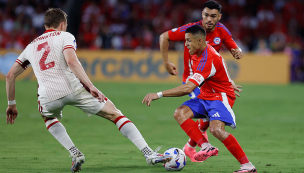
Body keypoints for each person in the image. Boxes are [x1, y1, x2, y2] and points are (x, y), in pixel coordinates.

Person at [5, 8, 171, 173]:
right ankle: (149, 154)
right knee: (115, 114)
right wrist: (91, 86)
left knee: (48, 117)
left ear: (46, 24)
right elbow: (71, 61)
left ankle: (75, 153)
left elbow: (11, 75)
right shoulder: (65, 36)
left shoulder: (31, 46)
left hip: (48, 95)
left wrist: (11, 104)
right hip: (74, 88)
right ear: (62, 24)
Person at [143, 25, 256, 173]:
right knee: (180, 113)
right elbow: (221, 64)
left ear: (199, 41)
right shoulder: (196, 53)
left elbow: (188, 88)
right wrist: (228, 79)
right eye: (185, 40)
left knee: (216, 129)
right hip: (205, 94)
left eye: (189, 40)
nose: (186, 44)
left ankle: (248, 166)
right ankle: (205, 146)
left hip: (220, 96)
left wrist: (158, 94)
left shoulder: (208, 57)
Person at [159, 0, 242, 162]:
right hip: (193, 80)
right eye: (206, 15)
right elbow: (164, 37)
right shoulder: (191, 30)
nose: (209, 19)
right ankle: (200, 145)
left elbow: (231, 50)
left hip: (209, 80)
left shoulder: (222, 31)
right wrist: (166, 62)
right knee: (208, 111)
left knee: (209, 113)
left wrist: (237, 53)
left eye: (213, 16)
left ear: (219, 17)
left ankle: (192, 146)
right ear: (201, 15)